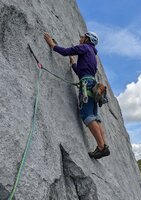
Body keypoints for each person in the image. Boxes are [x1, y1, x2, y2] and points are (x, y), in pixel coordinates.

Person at [44, 31, 110, 159]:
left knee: (87, 115)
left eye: (83, 37)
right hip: (92, 84)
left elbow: (65, 51)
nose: (80, 38)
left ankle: (101, 147)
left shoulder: (84, 47)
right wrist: (74, 64)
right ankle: (104, 145)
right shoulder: (92, 54)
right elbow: (82, 72)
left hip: (86, 84)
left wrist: (52, 44)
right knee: (95, 117)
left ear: (87, 39)